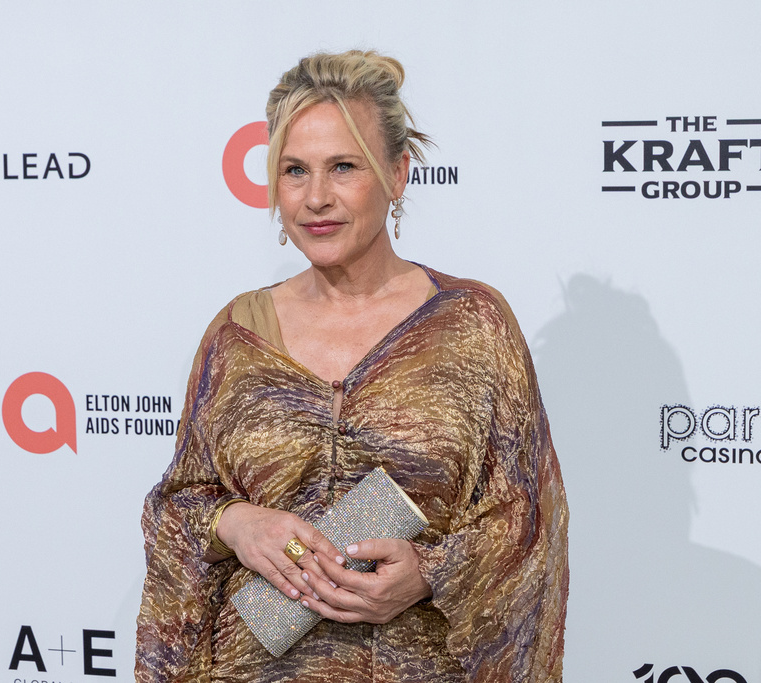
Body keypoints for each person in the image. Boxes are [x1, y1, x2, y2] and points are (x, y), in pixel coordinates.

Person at [136, 50, 568, 682]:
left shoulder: (473, 325)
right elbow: (177, 504)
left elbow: (528, 523)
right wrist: (237, 522)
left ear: (398, 173)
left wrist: (431, 574)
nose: (316, 198)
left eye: (344, 167)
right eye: (294, 171)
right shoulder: (237, 336)